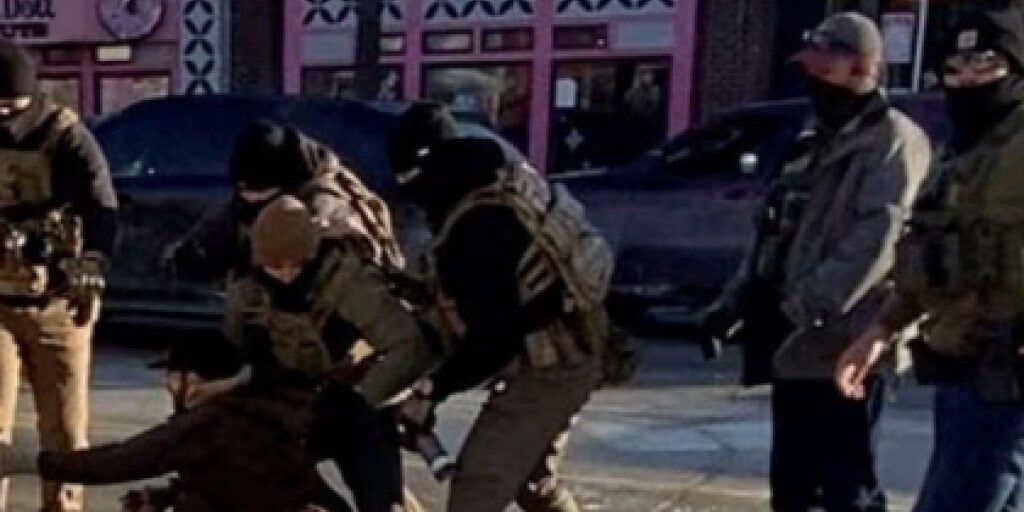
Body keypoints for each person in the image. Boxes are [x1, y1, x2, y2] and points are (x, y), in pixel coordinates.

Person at [703, 13, 931, 512]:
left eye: (825, 71)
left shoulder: (893, 140)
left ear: (862, 69)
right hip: (795, 347)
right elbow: (772, 232)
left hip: (852, 341)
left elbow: (878, 237)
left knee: (848, 489)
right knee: (792, 488)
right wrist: (733, 302)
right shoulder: (812, 141)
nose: (814, 83)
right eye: (810, 71)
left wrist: (805, 306)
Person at [836, 5, 1024, 512]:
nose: (967, 80)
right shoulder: (961, 148)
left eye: (984, 65)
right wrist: (881, 330)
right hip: (961, 360)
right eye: (954, 69)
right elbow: (931, 253)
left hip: (1006, 371)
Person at [389, 102, 612, 512]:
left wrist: (433, 390)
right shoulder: (494, 185)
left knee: (478, 487)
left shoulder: (477, 228)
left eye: (408, 182)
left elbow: (492, 340)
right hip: (576, 342)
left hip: (553, 364)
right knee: (533, 483)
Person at [225, 194, 437, 512]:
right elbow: (232, 351)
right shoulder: (248, 293)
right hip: (291, 409)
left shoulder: (348, 282)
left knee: (380, 498)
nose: (285, 274)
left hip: (358, 406)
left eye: (294, 264)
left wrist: (361, 398)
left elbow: (408, 345)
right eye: (275, 266)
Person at [0, 40, 118, 512]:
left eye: (12, 105)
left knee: (66, 434)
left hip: (57, 301)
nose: (3, 115)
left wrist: (94, 261)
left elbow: (102, 207)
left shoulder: (64, 135)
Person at [36, 335, 348, 512]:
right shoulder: (256, 409)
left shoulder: (210, 423)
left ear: (194, 380)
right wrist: (165, 497)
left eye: (173, 377)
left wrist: (50, 464)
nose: (168, 386)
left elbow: (128, 459)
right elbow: (241, 484)